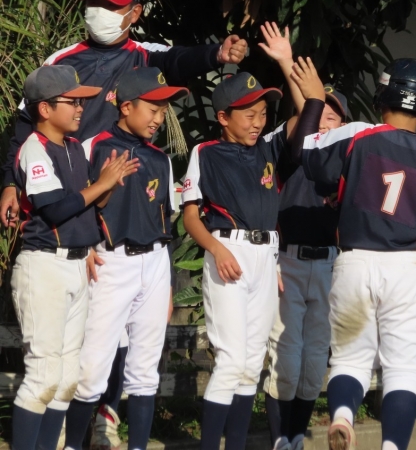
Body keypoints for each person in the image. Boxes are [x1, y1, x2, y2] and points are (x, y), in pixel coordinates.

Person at [288, 57, 416, 450]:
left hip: (354, 263)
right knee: (403, 370)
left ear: (383, 96)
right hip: (407, 267)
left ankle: (343, 416)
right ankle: (392, 446)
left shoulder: (357, 135)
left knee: (348, 361)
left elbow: (306, 152)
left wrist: (313, 101)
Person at [1, 0, 247, 226]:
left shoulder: (146, 56)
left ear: (135, 12)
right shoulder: (59, 63)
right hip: (69, 194)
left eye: (111, 5)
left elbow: (179, 59)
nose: (100, 11)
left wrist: (217, 54)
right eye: (94, 3)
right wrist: (10, 184)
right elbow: (26, 127)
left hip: (125, 192)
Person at [181, 66, 311, 450]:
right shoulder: (206, 152)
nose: (258, 122)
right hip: (229, 250)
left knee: (253, 363)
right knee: (231, 360)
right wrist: (215, 248)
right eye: (249, 114)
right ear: (223, 117)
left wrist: (288, 66)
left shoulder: (268, 148)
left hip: (266, 254)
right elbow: (191, 216)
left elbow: (306, 115)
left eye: (263, 113)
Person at [11, 65, 138, 450]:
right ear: (45, 109)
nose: (81, 108)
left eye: (82, 101)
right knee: (43, 378)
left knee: (67, 380)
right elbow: (53, 209)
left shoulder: (73, 148)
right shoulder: (35, 147)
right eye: (72, 101)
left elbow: (86, 207)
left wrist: (108, 185)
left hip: (76, 264)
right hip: (43, 266)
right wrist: (100, 184)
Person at [62, 67, 189, 450]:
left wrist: (168, 284)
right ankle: (73, 444)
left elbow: (166, 223)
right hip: (110, 261)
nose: (159, 118)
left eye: (163, 110)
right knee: (92, 368)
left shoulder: (160, 159)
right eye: (153, 108)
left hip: (154, 262)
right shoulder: (93, 146)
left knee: (145, 370)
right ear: (127, 106)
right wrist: (85, 247)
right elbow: (73, 207)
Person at [257, 22, 348, 450]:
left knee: (315, 362)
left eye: (334, 112)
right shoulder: (291, 148)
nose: (325, 114)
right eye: (320, 109)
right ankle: (280, 440)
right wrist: (287, 64)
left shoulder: (348, 154)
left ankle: (295, 437)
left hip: (331, 264)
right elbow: (304, 122)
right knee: (286, 357)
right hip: (288, 262)